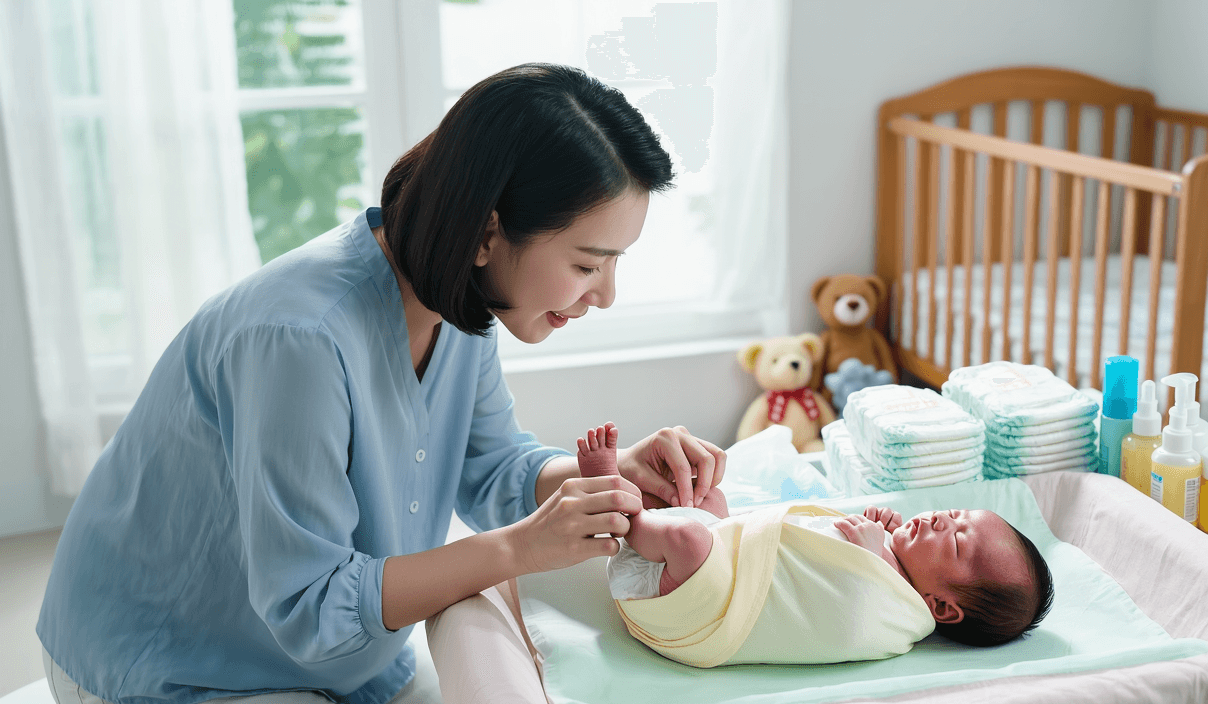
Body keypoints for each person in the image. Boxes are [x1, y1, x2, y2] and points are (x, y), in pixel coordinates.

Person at [37, 63, 726, 704]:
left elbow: (489, 465)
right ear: (488, 231)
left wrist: (597, 475)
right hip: (177, 667)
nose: (605, 295)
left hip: (345, 654)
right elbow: (310, 603)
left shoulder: (459, 298)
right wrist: (517, 549)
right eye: (587, 265)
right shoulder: (299, 341)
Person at [577, 422, 1054, 667]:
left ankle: (619, 511)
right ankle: (648, 518)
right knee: (712, 499)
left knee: (690, 535)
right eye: (955, 514)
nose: (940, 520)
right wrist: (881, 539)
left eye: (955, 541)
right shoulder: (892, 560)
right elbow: (810, 556)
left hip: (703, 616)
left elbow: (844, 617)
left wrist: (870, 560)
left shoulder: (897, 621)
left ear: (941, 608)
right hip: (725, 572)